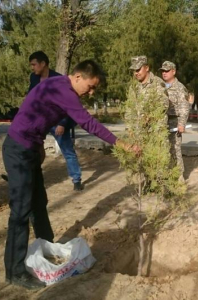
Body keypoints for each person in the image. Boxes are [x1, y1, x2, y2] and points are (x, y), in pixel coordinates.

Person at [2, 60, 133, 289]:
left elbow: (34, 111)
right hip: (18, 151)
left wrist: (38, 144)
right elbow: (88, 123)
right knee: (21, 211)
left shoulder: (57, 85)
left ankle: (48, 249)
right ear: (78, 77)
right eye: (90, 87)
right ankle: (14, 272)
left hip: (29, 147)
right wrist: (119, 143)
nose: (91, 93)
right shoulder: (65, 90)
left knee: (39, 202)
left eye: (94, 89)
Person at [28, 51, 83, 191]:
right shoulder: (33, 79)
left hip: (57, 121)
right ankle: (26, 177)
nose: (32, 68)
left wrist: (62, 123)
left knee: (67, 150)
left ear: (43, 64)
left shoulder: (59, 79)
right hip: (39, 121)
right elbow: (32, 99)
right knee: (28, 148)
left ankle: (76, 179)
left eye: (34, 64)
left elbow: (67, 104)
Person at [159, 61, 190, 182]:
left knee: (174, 149)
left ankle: (179, 176)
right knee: (163, 149)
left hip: (173, 122)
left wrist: (181, 123)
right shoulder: (160, 87)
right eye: (163, 71)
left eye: (167, 71)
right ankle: (165, 175)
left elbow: (184, 107)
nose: (164, 73)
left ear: (174, 71)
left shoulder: (180, 88)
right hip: (161, 122)